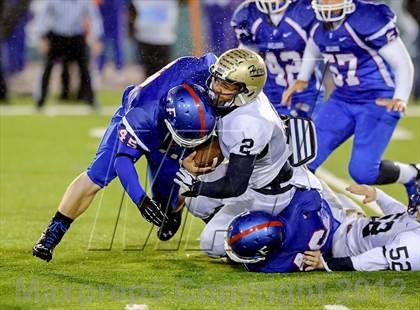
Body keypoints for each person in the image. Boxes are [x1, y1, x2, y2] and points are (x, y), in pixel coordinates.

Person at [32, 53, 219, 262]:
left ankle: (175, 207)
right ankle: (53, 232)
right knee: (96, 176)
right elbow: (123, 161)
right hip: (139, 123)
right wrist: (141, 201)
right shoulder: (142, 116)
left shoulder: (209, 76)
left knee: (168, 200)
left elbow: (220, 65)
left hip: (177, 124)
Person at [174, 48, 321, 258]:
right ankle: (235, 222)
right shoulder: (244, 100)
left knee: (210, 244)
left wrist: (197, 186)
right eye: (217, 79)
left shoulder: (250, 122)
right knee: (196, 202)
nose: (216, 88)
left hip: (268, 193)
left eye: (226, 84)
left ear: (247, 90)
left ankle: (256, 235)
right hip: (255, 175)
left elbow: (235, 185)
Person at [283, 0, 419, 199]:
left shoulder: (367, 18)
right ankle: (307, 211)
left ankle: (412, 174)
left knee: (363, 172)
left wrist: (400, 98)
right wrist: (302, 78)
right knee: (301, 158)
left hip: (378, 100)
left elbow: (403, 63)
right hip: (342, 99)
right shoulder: (314, 19)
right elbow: (314, 44)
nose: (328, 3)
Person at [225, 183, 420, 272]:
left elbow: (374, 260)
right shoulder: (414, 224)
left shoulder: (414, 245)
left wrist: (326, 263)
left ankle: (242, 244)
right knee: (305, 183)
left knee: (276, 231)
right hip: (348, 217)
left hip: (336, 240)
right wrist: (376, 194)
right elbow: (402, 215)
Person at [231, 0, 324, 118]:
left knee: (307, 134)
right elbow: (249, 55)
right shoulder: (248, 13)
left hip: (306, 93)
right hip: (271, 95)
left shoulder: (304, 10)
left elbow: (317, 47)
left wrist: (302, 79)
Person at [33, 0, 103, 109]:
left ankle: (91, 99)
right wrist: (42, 37)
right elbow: (43, 15)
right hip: (57, 36)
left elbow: (94, 17)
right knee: (47, 68)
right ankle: (40, 99)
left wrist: (97, 37)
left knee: (84, 69)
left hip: (76, 37)